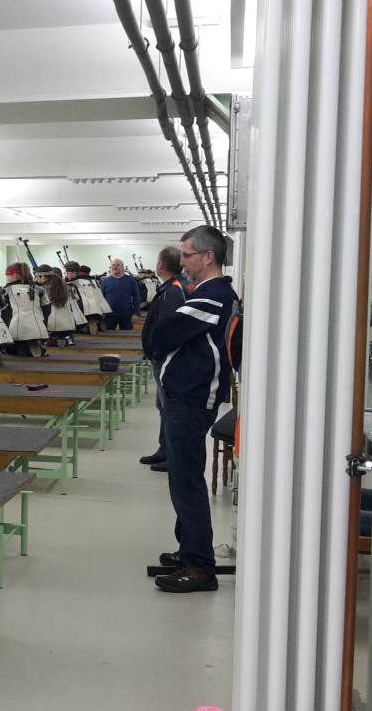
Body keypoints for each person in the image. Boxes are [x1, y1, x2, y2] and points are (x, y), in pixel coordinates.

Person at [145, 225, 238, 593]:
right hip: (185, 394)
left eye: (187, 255)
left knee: (187, 482)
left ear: (208, 257)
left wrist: (159, 336)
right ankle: (189, 550)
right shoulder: (207, 294)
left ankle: (199, 566)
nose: (181, 262)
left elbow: (163, 333)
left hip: (191, 398)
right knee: (182, 478)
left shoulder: (213, 295)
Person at [138, 246, 189, 473]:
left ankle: (172, 455)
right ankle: (164, 450)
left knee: (169, 408)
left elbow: (169, 329)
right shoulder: (173, 287)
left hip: (167, 359)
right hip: (165, 358)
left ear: (160, 265)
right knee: (163, 407)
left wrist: (158, 352)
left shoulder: (173, 291)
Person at [0, 262, 49, 356]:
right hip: (38, 326)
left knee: (10, 349)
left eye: (9, 276)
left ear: (15, 275)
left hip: (17, 327)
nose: (8, 279)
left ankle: (24, 348)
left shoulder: (7, 290)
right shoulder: (39, 288)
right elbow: (47, 308)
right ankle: (33, 346)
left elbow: (5, 312)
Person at [33, 264, 78, 345]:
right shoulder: (66, 287)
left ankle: (51, 339)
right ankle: (64, 338)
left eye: (37, 277)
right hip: (69, 326)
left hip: (51, 327)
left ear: (43, 277)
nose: (37, 280)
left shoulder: (42, 289)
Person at [100, 258, 143, 330]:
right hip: (109, 315)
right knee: (108, 335)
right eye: (113, 265)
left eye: (118, 265)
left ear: (122, 267)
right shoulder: (105, 281)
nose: (115, 267)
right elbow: (101, 298)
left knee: (127, 335)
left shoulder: (131, 280)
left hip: (126, 315)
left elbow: (136, 297)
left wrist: (136, 313)